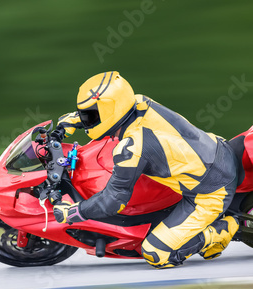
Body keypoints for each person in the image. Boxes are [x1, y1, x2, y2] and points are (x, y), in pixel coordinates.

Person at [52, 71, 239, 268]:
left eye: (91, 116)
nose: (87, 120)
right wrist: (75, 122)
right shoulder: (139, 102)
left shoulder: (132, 148)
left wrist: (74, 213)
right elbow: (112, 114)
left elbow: (112, 201)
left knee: (155, 253)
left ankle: (223, 231)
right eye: (85, 115)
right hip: (216, 148)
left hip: (211, 191)